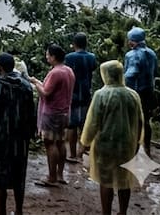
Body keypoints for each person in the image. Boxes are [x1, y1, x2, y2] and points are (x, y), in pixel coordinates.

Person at [80, 60, 144, 215]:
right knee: (125, 180)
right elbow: (140, 121)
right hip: (127, 143)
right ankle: (123, 212)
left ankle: (106, 212)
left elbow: (93, 122)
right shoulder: (132, 95)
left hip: (105, 145)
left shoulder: (101, 95)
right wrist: (138, 141)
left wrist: (85, 142)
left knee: (105, 180)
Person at [0, 53, 36, 215]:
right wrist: (29, 135)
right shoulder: (25, 86)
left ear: (0, 67)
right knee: (19, 175)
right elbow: (31, 114)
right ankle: (19, 210)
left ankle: (2, 212)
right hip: (20, 140)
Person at [29, 43, 75, 187]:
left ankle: (52, 176)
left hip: (52, 112)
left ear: (54, 57)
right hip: (64, 111)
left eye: (48, 54)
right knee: (61, 141)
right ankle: (60, 174)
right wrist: (38, 81)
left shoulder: (55, 72)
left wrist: (35, 84)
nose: (46, 56)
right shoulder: (68, 71)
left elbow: (46, 93)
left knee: (50, 143)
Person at [64, 32, 99, 163]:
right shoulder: (91, 57)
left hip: (72, 93)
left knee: (71, 125)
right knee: (84, 124)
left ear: (74, 44)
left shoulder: (69, 57)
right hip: (86, 93)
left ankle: (72, 154)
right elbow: (93, 69)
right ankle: (81, 152)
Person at [123, 27, 158, 158]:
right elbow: (154, 72)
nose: (128, 42)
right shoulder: (152, 53)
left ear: (133, 41)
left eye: (130, 40)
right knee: (146, 120)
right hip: (149, 91)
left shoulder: (131, 55)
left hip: (135, 92)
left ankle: (134, 149)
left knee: (133, 121)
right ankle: (147, 148)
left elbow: (131, 73)